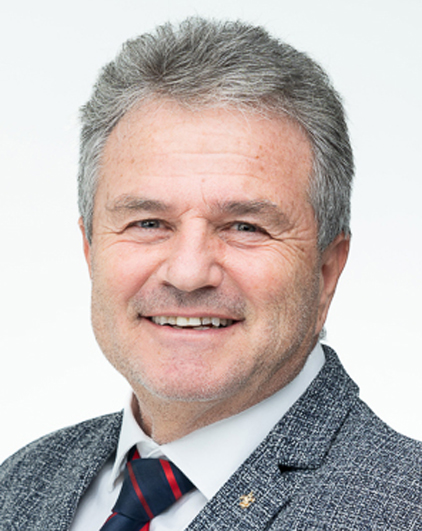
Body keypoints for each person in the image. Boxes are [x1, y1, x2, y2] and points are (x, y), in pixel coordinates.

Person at [0, 17, 421, 531]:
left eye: (245, 227)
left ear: (327, 270)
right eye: (148, 222)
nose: (188, 273)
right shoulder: (18, 487)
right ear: (91, 250)